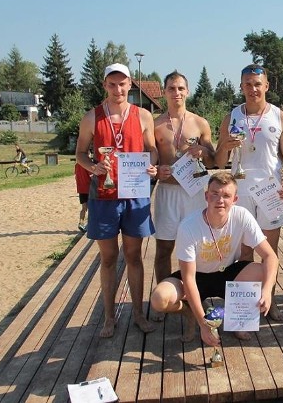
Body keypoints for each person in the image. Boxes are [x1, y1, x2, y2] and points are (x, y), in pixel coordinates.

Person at [75, 63, 158, 338]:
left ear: (130, 84)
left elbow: (152, 150)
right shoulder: (92, 117)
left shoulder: (143, 115)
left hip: (135, 194)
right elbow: (80, 154)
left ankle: (137, 314)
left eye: (122, 84)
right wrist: (92, 167)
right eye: (112, 84)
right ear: (105, 85)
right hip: (105, 195)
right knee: (108, 257)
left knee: (134, 256)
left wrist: (152, 165)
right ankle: (108, 318)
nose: (117, 89)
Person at [150, 172, 278, 344]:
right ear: (206, 196)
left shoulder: (242, 216)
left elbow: (271, 256)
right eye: (215, 194)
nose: (220, 200)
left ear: (235, 199)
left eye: (226, 195)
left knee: (264, 271)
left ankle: (237, 320)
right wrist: (203, 324)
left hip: (226, 273)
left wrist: (267, 291)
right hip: (196, 277)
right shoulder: (189, 226)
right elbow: (188, 278)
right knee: (159, 299)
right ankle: (191, 314)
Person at [214, 64, 283, 320]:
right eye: (248, 84)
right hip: (240, 193)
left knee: (269, 251)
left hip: (271, 193)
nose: (253, 89)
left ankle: (269, 303)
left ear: (267, 86)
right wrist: (225, 146)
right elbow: (218, 162)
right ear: (241, 87)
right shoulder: (232, 117)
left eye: (257, 84)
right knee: (244, 253)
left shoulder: (280, 117)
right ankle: (246, 311)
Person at [152, 71, 215, 320]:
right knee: (164, 248)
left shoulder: (200, 123)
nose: (176, 93)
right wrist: (157, 170)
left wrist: (203, 151)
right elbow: (151, 158)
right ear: (164, 92)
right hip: (167, 192)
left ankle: (196, 298)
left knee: (197, 249)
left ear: (187, 91)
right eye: (171, 88)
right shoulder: (155, 124)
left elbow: (213, 159)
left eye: (180, 88)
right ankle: (164, 294)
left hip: (194, 192)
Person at [74, 162, 91, 232]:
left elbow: (76, 176)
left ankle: (81, 222)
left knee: (84, 208)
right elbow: (91, 175)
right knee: (91, 208)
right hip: (89, 188)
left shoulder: (77, 165)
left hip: (81, 188)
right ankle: (91, 224)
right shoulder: (87, 164)